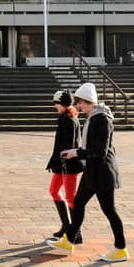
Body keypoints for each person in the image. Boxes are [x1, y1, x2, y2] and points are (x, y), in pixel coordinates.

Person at [46, 82, 129, 263]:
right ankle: (69, 240)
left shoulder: (103, 119)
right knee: (78, 203)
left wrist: (76, 152)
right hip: (92, 171)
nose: (78, 106)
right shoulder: (93, 117)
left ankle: (121, 249)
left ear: (90, 101)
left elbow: (100, 151)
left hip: (103, 173)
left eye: (81, 102)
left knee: (109, 210)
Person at [46, 89, 83, 243]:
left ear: (62, 104)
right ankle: (66, 225)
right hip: (61, 164)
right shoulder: (64, 118)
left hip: (69, 164)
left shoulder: (69, 119)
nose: (55, 106)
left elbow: (68, 145)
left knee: (71, 197)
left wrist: (60, 157)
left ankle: (76, 232)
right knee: (54, 191)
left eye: (56, 104)